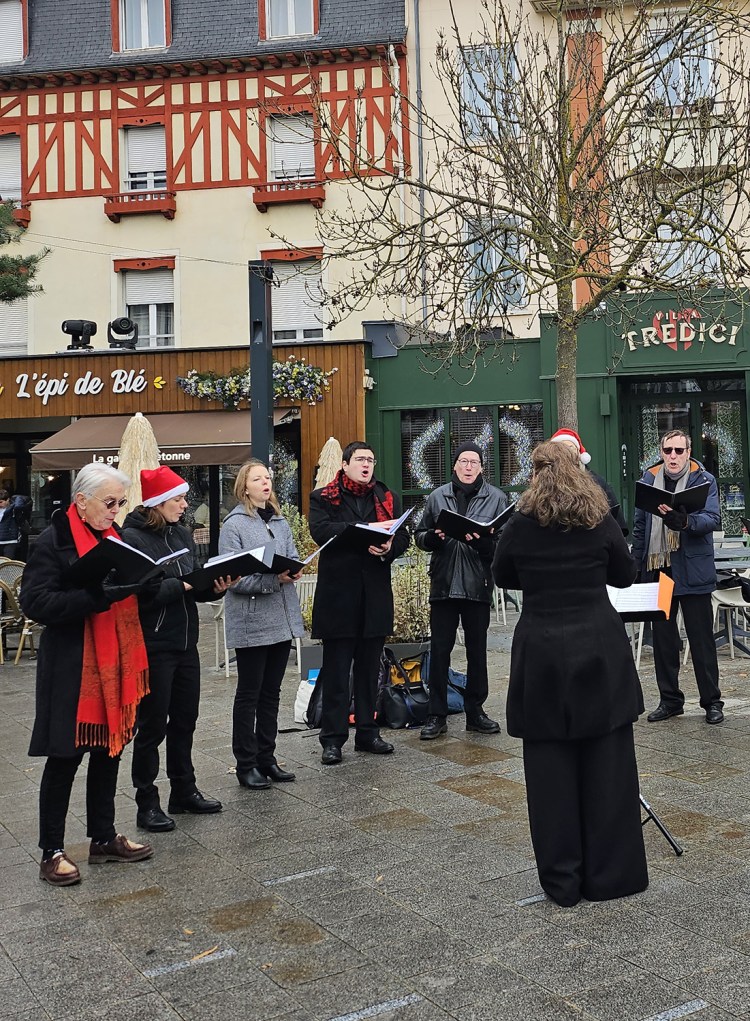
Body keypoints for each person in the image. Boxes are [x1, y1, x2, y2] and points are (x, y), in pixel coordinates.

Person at [492, 441, 648, 907]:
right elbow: (624, 575)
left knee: (549, 771)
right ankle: (610, 876)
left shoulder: (520, 524)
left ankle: (563, 881)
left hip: (541, 649)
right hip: (598, 646)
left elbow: (502, 576)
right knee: (609, 765)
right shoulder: (597, 520)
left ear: (536, 475)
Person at [20, 463, 154, 887]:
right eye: (109, 502)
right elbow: (36, 603)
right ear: (81, 501)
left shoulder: (114, 538)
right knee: (65, 757)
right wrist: (93, 597)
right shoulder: (53, 540)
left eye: (120, 503)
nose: (116, 511)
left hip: (114, 662)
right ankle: (52, 851)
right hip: (73, 666)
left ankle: (102, 837)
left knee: (109, 750)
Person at [121, 467, 229, 832]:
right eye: (178, 499)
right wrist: (182, 586)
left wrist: (216, 586)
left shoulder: (181, 533)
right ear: (157, 503)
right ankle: (146, 802)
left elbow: (193, 583)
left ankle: (184, 790)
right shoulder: (132, 539)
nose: (185, 505)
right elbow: (138, 595)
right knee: (152, 726)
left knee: (185, 720)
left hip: (186, 644)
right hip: (154, 644)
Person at [308, 441, 411, 765]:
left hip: (374, 596)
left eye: (371, 459)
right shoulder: (324, 496)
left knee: (370, 673)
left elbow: (403, 535)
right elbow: (320, 530)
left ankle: (368, 732)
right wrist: (360, 531)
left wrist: (389, 549)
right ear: (345, 464)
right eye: (361, 459)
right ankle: (333, 739)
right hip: (339, 597)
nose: (367, 465)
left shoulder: (385, 496)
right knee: (338, 673)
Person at [219, 459, 305, 789]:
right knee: (249, 694)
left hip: (281, 619)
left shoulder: (280, 521)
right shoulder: (234, 525)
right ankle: (246, 763)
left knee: (272, 693)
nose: (265, 483)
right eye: (258, 479)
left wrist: (293, 570)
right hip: (253, 622)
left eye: (268, 478)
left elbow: (293, 553)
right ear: (245, 487)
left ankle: (268, 758)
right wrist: (273, 580)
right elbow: (231, 577)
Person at [415, 441, 508, 739]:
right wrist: (434, 538)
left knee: (477, 651)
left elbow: (503, 543)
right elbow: (419, 534)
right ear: (454, 465)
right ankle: (436, 714)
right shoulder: (437, 496)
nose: (469, 467)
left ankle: (476, 712)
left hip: (477, 582)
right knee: (440, 651)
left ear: (482, 467)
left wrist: (483, 543)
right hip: (443, 582)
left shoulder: (496, 498)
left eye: (474, 462)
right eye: (463, 462)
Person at [632, 429, 723, 724]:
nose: (673, 456)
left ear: (688, 451)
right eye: (668, 450)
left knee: (701, 641)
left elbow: (713, 519)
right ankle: (670, 700)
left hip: (694, 570)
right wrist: (637, 566)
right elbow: (640, 526)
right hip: (660, 570)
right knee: (664, 641)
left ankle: (712, 702)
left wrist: (685, 521)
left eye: (679, 451)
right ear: (661, 451)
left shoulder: (704, 480)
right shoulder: (648, 480)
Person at [549, 428, 628, 535]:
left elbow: (616, 521)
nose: (568, 452)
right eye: (563, 448)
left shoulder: (597, 482)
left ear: (578, 452)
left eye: (571, 448)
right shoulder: (547, 484)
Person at [0, 489, 19, 556]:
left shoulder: (13, 509)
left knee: (8, 563)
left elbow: (21, 504)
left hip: (10, 540)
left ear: (7, 500)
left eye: (1, 502)